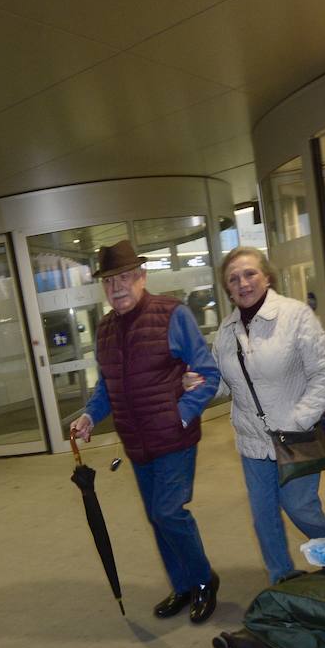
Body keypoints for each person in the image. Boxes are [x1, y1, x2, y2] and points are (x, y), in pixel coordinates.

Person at [69, 240, 223, 623]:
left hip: (173, 438)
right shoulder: (105, 329)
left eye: (124, 277)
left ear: (141, 277)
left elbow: (208, 373)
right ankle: (182, 585)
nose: (116, 287)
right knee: (157, 517)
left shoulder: (173, 314)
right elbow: (107, 386)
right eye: (109, 281)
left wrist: (181, 414)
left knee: (169, 512)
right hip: (136, 444)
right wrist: (90, 415)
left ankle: (204, 580)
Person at [211, 247, 325, 584]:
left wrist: (300, 419)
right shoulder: (226, 331)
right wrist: (196, 383)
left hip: (296, 436)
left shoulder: (295, 315)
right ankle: (281, 576)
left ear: (266, 276)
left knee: (301, 508)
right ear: (227, 289)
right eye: (233, 279)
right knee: (263, 517)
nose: (243, 283)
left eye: (250, 273)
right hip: (252, 440)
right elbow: (224, 385)